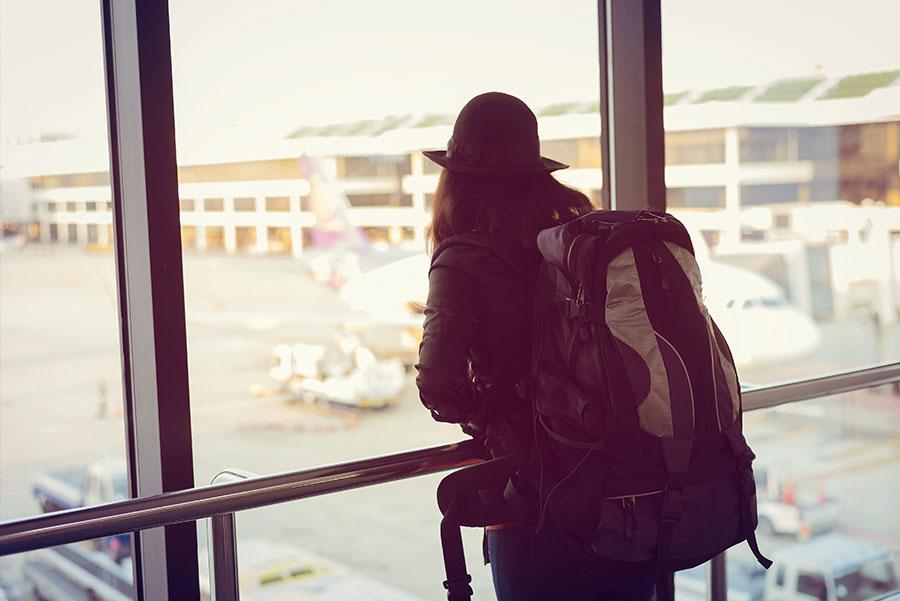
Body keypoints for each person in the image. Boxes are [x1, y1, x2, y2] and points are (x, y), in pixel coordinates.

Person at [416, 92, 657, 600]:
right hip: (626, 491)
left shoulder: (463, 261)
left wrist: (496, 426)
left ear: (455, 179)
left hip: (537, 497)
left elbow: (439, 385)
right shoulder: (579, 240)